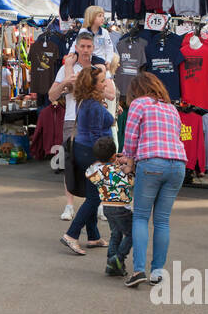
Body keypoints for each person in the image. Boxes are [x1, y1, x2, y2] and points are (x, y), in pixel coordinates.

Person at [118, 72, 186, 288]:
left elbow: (130, 135)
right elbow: (177, 134)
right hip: (177, 164)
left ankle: (138, 269)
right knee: (162, 220)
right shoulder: (171, 108)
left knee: (140, 217)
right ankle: (157, 270)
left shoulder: (139, 104)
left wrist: (128, 157)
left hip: (151, 163)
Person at [60, 65, 115, 256]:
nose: (104, 84)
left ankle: (93, 236)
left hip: (83, 151)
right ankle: (71, 235)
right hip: (91, 153)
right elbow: (95, 135)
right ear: (93, 84)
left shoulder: (84, 100)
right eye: (101, 81)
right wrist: (102, 159)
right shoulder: (92, 104)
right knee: (95, 197)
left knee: (93, 193)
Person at [49, 32, 96, 221]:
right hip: (72, 120)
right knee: (70, 163)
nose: (85, 50)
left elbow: (109, 92)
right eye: (82, 46)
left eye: (89, 46)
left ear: (93, 48)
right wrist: (67, 81)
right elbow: (52, 95)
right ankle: (69, 205)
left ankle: (97, 203)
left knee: (95, 163)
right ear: (76, 48)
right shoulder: (67, 69)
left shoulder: (97, 69)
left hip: (93, 120)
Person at [85, 135, 134, 277]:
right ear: (114, 155)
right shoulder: (117, 170)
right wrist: (125, 165)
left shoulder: (97, 170)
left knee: (115, 234)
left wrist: (108, 162)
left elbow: (89, 172)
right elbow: (130, 182)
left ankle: (110, 265)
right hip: (122, 207)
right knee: (132, 233)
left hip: (107, 207)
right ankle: (117, 258)